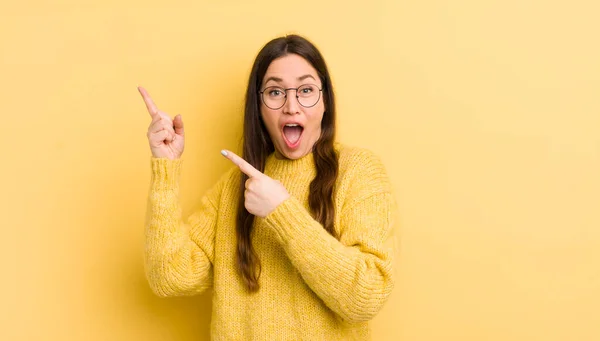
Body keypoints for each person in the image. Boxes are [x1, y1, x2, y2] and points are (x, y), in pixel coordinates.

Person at [140, 34, 396, 340]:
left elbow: (366, 296)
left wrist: (282, 212)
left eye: (305, 90)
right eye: (275, 92)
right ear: (259, 107)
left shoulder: (358, 171)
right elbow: (170, 278)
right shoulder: (233, 188)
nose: (291, 106)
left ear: (324, 101)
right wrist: (165, 170)